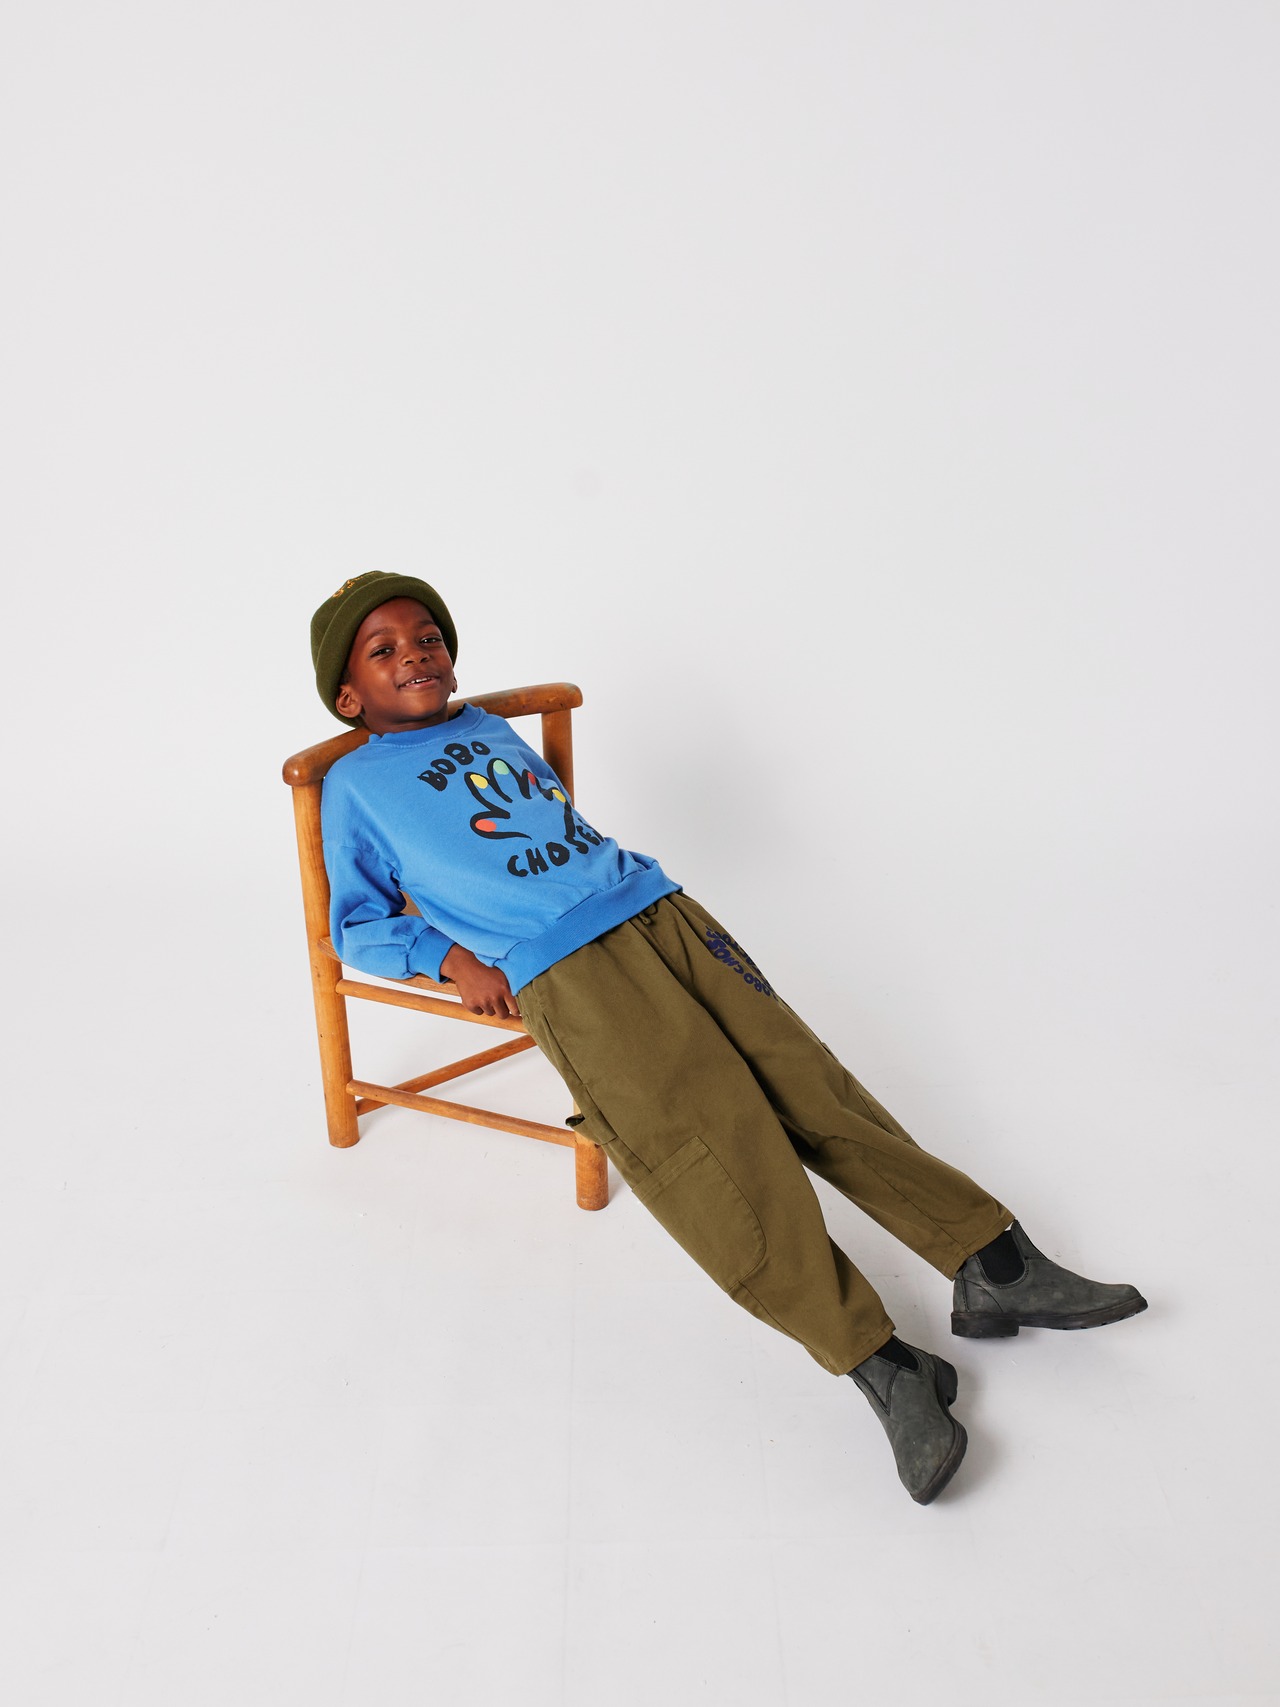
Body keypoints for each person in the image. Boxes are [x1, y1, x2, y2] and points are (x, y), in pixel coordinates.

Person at [309, 571, 1147, 1505]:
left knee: (814, 1089)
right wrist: (449, 955)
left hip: (663, 912)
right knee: (715, 1164)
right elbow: (356, 924)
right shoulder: (354, 785)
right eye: (384, 650)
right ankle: (881, 1362)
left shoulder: (489, 728)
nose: (416, 654)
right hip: (566, 974)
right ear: (349, 697)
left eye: (427, 635)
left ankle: (993, 1261)